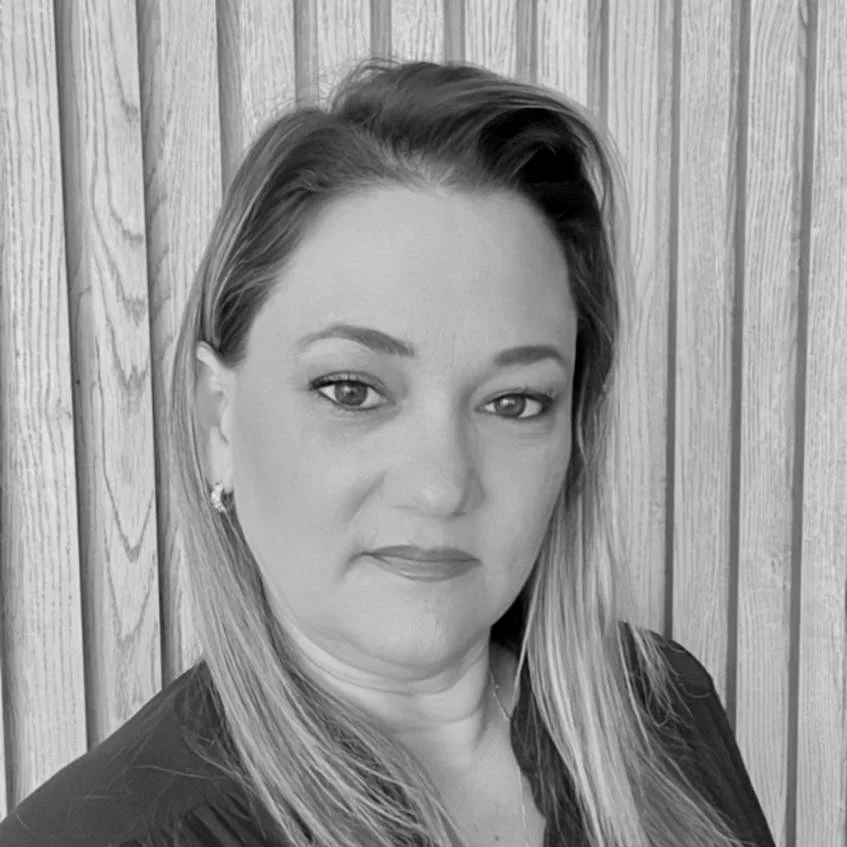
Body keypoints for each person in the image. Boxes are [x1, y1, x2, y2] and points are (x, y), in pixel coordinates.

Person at [0, 57, 775, 847]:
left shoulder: (665, 714)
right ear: (219, 424)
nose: (441, 486)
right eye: (351, 390)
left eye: (514, 402)